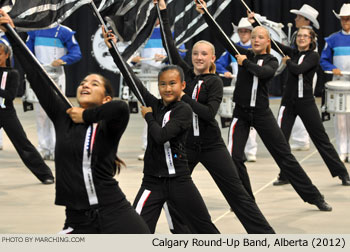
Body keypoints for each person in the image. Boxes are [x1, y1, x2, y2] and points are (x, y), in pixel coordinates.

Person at [0, 10, 150, 234]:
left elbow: (120, 108)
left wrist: (87, 116)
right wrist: (11, 32)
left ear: (105, 98)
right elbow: (35, 74)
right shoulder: (64, 117)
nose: (86, 85)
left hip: (115, 212)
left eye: (94, 83)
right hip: (77, 221)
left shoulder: (110, 125)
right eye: (83, 82)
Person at [195, 0, 332, 212]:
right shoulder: (245, 54)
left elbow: (263, 74)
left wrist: (244, 63)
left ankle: (314, 196)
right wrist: (205, 13)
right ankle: (246, 200)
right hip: (241, 113)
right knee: (235, 158)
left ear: (268, 42)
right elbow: (222, 36)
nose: (256, 40)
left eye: (261, 37)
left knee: (284, 157)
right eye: (254, 37)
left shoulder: (272, 61)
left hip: (261, 114)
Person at [152, 0, 275, 234]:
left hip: (211, 146)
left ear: (212, 58)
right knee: (172, 190)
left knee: (237, 194)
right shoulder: (185, 76)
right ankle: (183, 234)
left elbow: (209, 113)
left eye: (204, 54)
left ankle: (265, 236)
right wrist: (163, 11)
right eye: (196, 53)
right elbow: (170, 45)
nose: (199, 57)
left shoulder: (214, 82)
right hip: (185, 145)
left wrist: (183, 98)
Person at [103, 28, 220, 234]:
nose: (167, 89)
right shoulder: (154, 104)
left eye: (172, 84)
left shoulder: (183, 110)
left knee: (204, 228)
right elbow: (131, 78)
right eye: (162, 84)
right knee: (135, 230)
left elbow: (161, 136)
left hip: (180, 181)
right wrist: (113, 49)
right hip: (152, 182)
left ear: (182, 85)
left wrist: (148, 117)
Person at [249, 16, 350, 186]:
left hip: (306, 103)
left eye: (305, 36)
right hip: (288, 103)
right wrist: (254, 23)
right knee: (280, 141)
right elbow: (272, 42)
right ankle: (285, 174)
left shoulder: (313, 56)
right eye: (299, 35)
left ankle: (342, 173)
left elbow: (298, 69)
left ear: (311, 40)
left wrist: (287, 62)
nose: (301, 38)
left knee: (322, 140)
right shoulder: (293, 52)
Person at [0, 42, 54, 185]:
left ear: (6, 55)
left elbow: (10, 95)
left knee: (23, 144)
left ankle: (45, 174)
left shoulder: (12, 74)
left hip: (6, 113)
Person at [130, 21, 186, 161]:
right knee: (149, 112)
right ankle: (148, 146)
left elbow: (182, 53)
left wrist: (167, 57)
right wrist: (134, 59)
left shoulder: (172, 33)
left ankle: (171, 145)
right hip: (148, 78)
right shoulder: (141, 33)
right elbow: (130, 55)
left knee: (170, 112)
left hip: (167, 79)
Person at [26, 25, 82, 160]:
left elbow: (76, 52)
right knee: (41, 113)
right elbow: (26, 50)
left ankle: (57, 148)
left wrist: (63, 60)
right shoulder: (35, 30)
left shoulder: (65, 31)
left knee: (58, 111)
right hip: (40, 75)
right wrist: (35, 63)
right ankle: (43, 147)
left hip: (57, 77)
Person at [216, 17, 258, 162]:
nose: (243, 34)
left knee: (251, 120)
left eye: (246, 31)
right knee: (235, 118)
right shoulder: (232, 48)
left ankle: (251, 150)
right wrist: (225, 72)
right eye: (241, 31)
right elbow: (219, 64)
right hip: (236, 85)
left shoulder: (255, 48)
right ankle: (234, 149)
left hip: (252, 87)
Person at [285, 4, 320, 154]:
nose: (296, 19)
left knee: (302, 103)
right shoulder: (299, 34)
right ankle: (299, 138)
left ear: (307, 20)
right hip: (298, 71)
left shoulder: (310, 37)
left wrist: (288, 62)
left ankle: (302, 139)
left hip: (305, 73)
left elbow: (302, 63)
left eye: (299, 17)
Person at [320, 3, 350, 163]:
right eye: (343, 19)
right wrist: (333, 68)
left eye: (348, 19)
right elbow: (323, 60)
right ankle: (341, 151)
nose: (345, 22)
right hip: (339, 82)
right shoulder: (332, 39)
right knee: (339, 119)